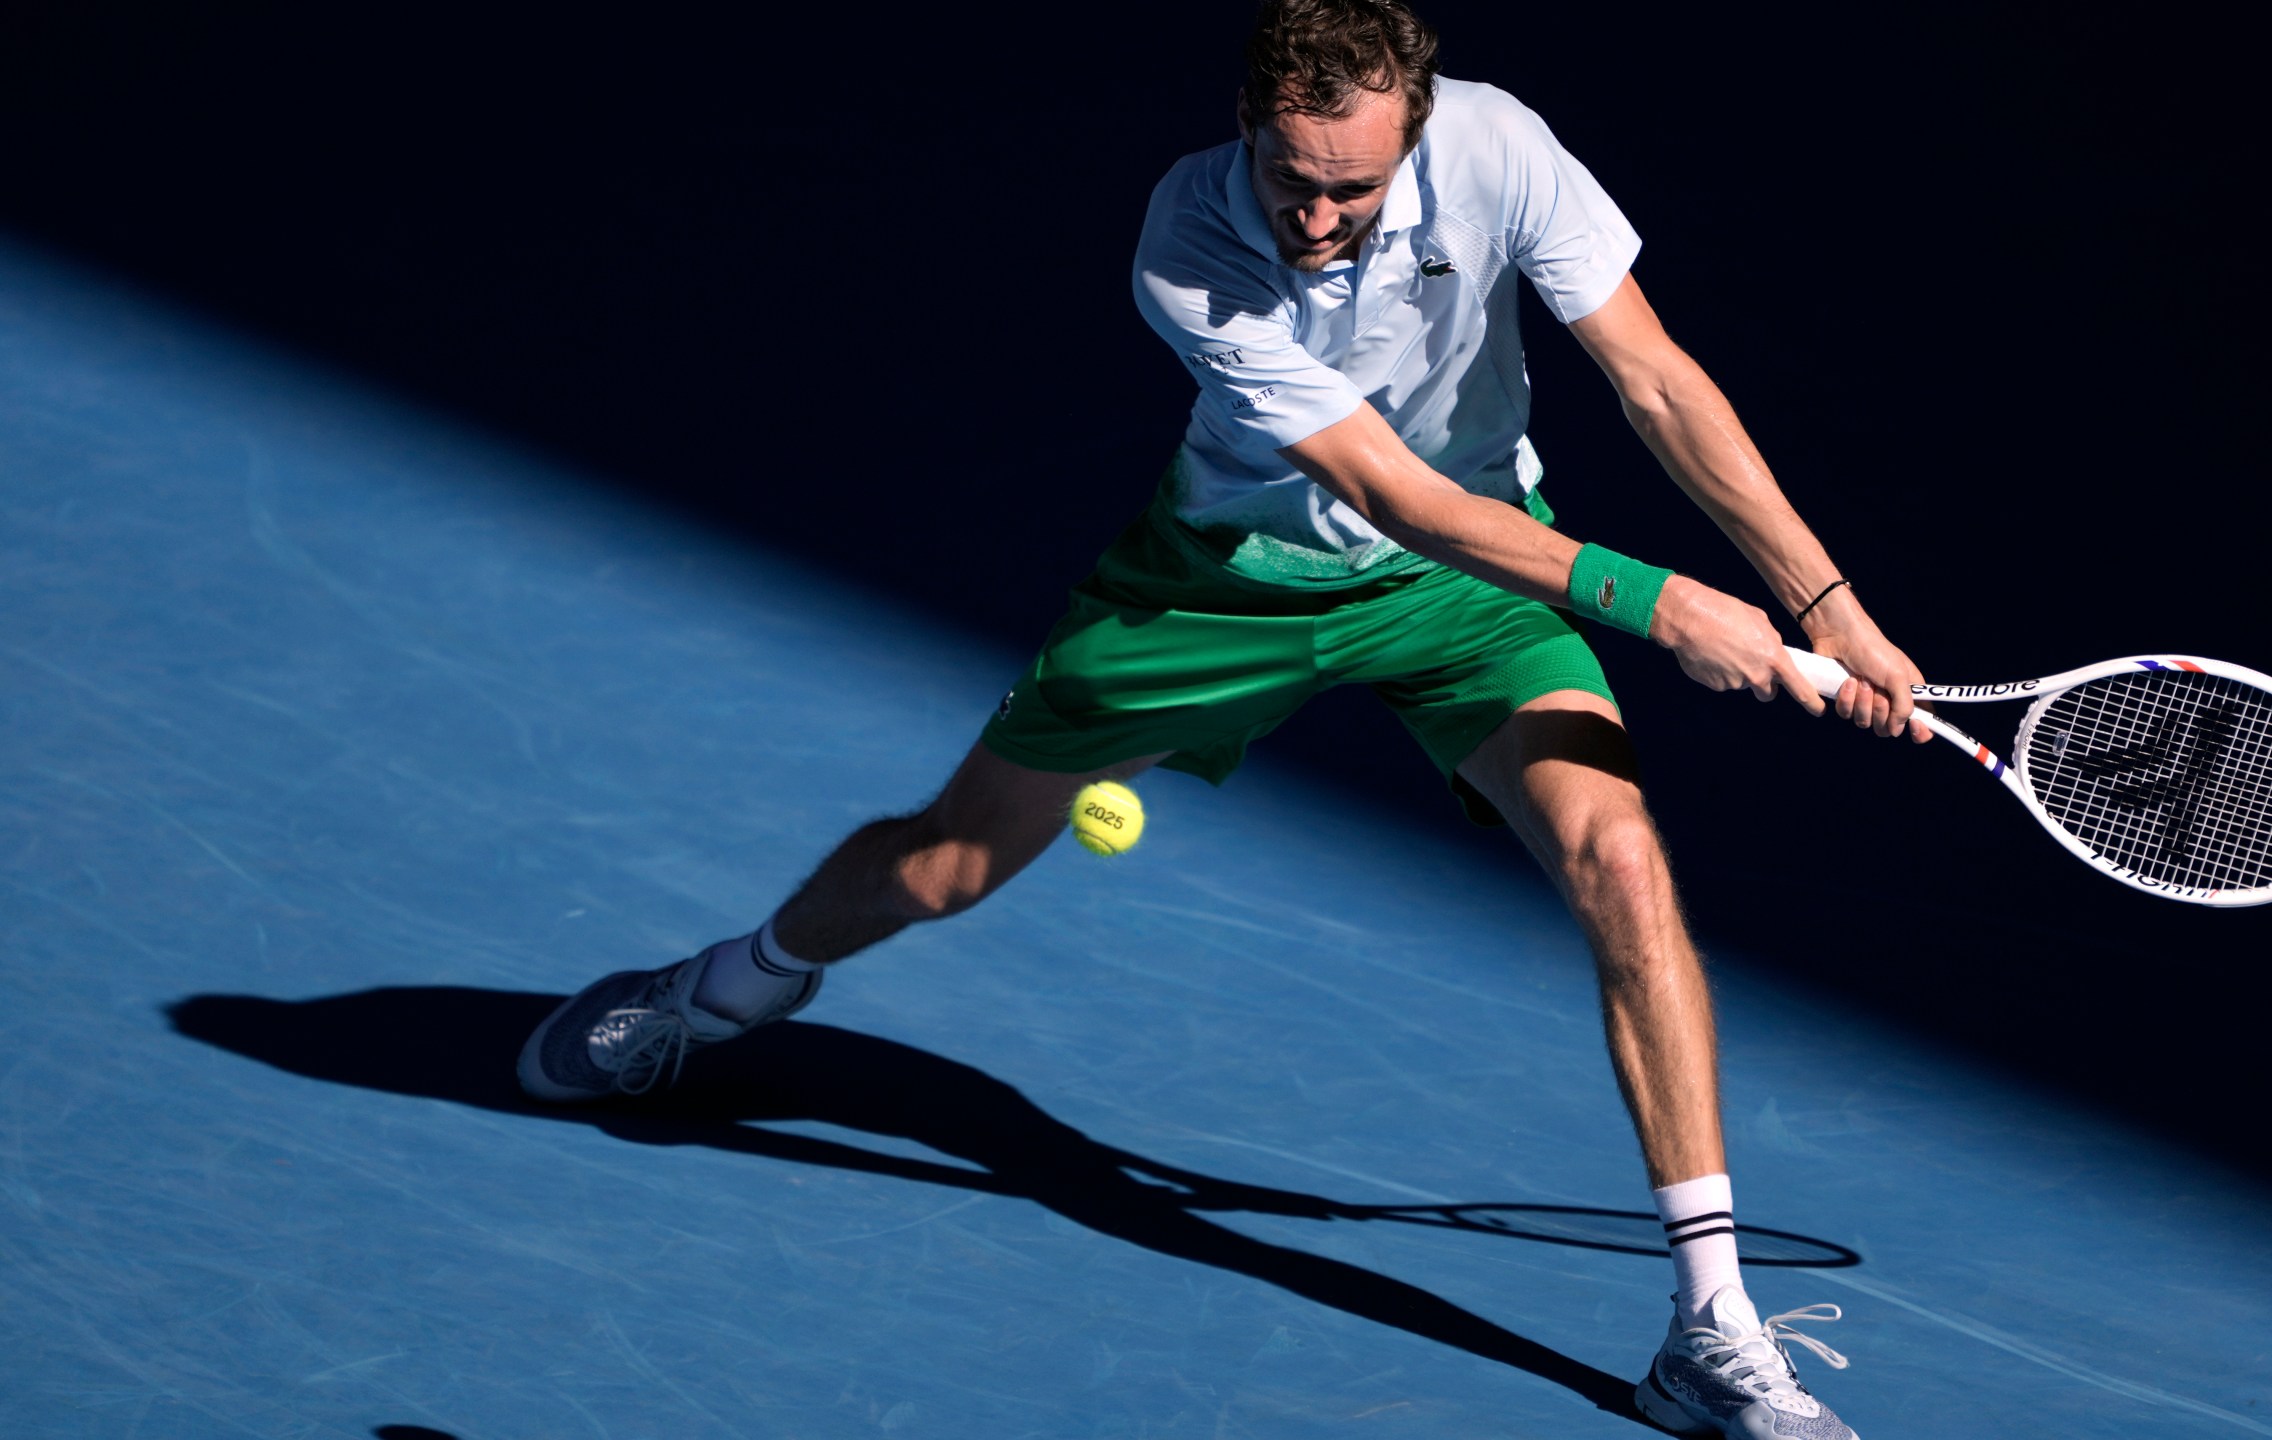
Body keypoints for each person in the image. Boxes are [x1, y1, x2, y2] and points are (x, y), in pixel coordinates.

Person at [519, 2, 1928, 1433]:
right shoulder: (1188, 241)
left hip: (1470, 589)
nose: (1315, 216)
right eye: (1289, 177)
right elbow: (1391, 493)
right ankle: (723, 988)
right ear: (1247, 127)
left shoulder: (1502, 148)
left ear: (1421, 138)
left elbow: (1659, 381)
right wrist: (1663, 604)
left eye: (1352, 189)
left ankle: (1710, 1326)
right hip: (1224, 590)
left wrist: (1829, 608)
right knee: (947, 861)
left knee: (1620, 861)